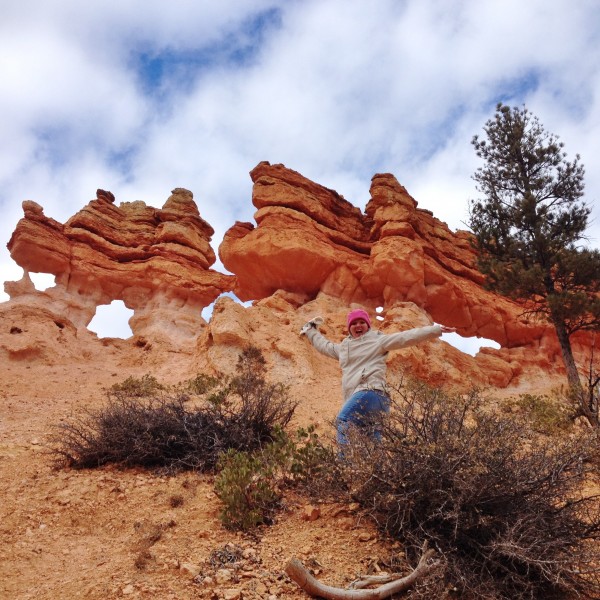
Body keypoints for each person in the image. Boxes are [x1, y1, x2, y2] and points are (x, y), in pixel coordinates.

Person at [300, 308, 456, 444]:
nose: (358, 326)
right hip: (378, 401)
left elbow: (405, 337)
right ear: (349, 328)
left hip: (369, 391)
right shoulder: (343, 349)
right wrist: (311, 330)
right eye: (353, 323)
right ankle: (376, 474)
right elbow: (324, 346)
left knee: (343, 420)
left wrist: (436, 330)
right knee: (371, 442)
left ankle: (344, 467)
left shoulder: (377, 340)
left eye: (362, 322)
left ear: (368, 325)